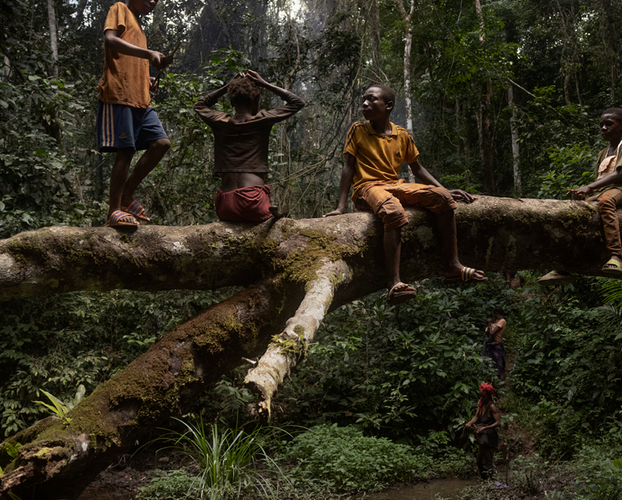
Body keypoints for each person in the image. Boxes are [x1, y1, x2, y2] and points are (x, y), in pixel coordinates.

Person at [324, 84, 485, 304]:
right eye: (363, 100)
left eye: (371, 99)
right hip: (367, 188)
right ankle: (394, 282)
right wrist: (340, 207)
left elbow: (417, 168)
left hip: (394, 185)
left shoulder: (402, 135)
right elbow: (348, 168)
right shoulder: (358, 130)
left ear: (388, 105)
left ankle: (452, 266)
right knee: (393, 210)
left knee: (443, 198)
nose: (365, 104)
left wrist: (444, 189)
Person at [97, 0, 173, 229]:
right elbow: (110, 40)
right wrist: (149, 53)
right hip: (119, 94)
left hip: (141, 97)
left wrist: (147, 78)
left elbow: (132, 61)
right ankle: (114, 211)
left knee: (161, 143)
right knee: (126, 150)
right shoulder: (120, 9)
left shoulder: (139, 28)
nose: (152, 2)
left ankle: (126, 196)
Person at [193, 70, 306, 222]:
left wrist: (227, 87)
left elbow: (199, 105)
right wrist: (265, 84)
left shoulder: (219, 121)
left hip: (225, 204)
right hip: (253, 201)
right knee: (274, 218)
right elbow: (298, 102)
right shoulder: (262, 120)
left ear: (232, 102)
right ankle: (272, 217)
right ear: (256, 100)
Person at [567, 108, 622, 275]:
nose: (603, 128)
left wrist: (589, 187)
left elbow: (620, 174)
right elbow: (600, 181)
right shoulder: (602, 153)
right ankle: (565, 265)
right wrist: (584, 193)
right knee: (575, 211)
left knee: (606, 201)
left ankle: (616, 256)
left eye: (609, 124)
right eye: (601, 125)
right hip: (602, 192)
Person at [465, 382, 501, 480]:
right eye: (480, 396)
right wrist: (470, 423)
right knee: (479, 461)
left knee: (487, 462)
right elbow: (476, 417)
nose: (481, 398)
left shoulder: (491, 406)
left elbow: (498, 422)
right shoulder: (480, 403)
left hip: (489, 438)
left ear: (488, 396)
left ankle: (491, 481)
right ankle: (484, 481)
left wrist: (485, 428)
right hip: (482, 437)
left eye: (483, 397)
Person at [484, 306, 507, 380]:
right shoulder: (496, 323)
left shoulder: (502, 321)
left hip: (497, 345)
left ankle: (502, 384)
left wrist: (490, 326)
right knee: (492, 366)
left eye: (494, 314)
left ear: (497, 313)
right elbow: (488, 334)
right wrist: (489, 326)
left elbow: (492, 333)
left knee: (500, 367)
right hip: (491, 346)